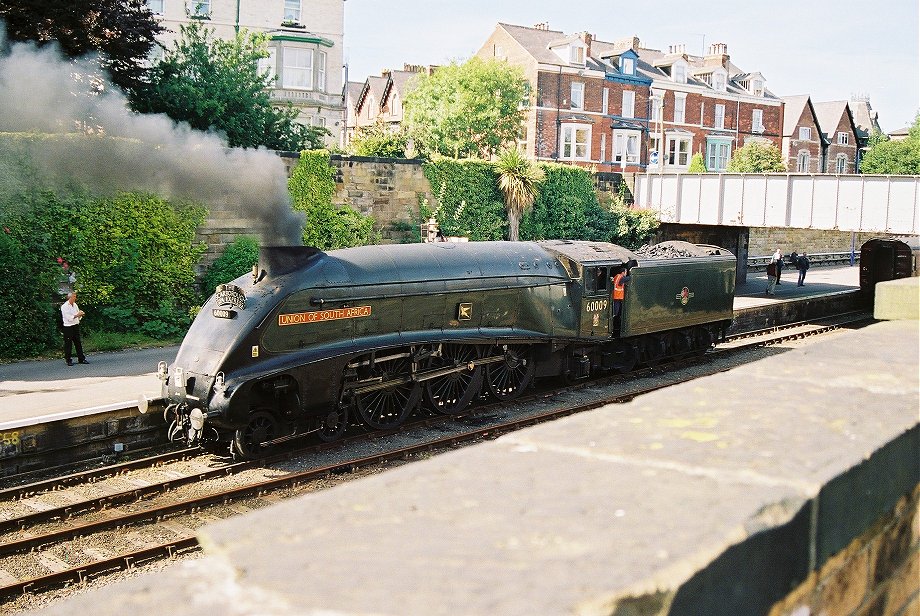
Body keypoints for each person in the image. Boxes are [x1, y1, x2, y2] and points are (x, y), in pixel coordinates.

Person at [61, 291, 88, 366]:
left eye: (75, 296)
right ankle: (68, 360)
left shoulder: (75, 305)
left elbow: (77, 314)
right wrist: (77, 315)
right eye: (74, 296)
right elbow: (69, 318)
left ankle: (81, 358)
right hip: (68, 327)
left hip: (75, 325)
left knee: (78, 343)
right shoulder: (64, 306)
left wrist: (80, 314)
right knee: (68, 344)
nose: (75, 298)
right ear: (70, 297)